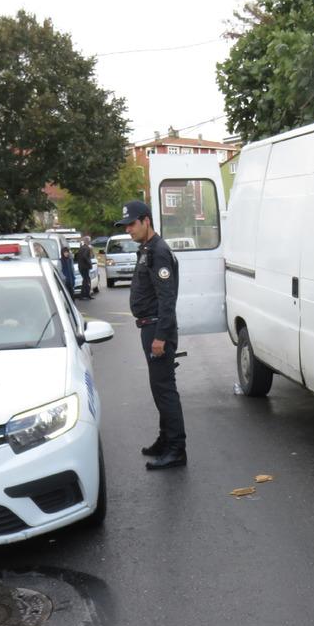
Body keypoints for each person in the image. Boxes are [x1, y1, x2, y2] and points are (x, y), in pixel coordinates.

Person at [115, 200, 186, 470]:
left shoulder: (159, 252)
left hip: (157, 328)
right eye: (126, 225)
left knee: (165, 391)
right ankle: (165, 440)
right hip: (150, 326)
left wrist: (160, 337)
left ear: (146, 220)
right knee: (159, 389)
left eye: (132, 224)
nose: (128, 229)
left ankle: (177, 449)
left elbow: (167, 299)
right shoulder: (147, 249)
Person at [76, 236, 94, 300]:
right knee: (86, 280)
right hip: (85, 267)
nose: (90, 241)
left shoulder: (81, 248)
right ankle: (83, 295)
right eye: (89, 240)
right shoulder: (87, 248)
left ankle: (86, 294)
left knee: (86, 280)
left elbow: (78, 256)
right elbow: (85, 256)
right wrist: (90, 264)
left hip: (81, 266)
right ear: (87, 241)